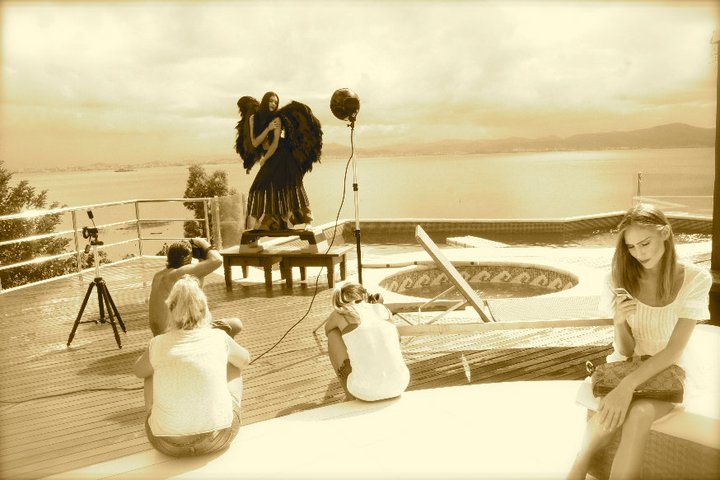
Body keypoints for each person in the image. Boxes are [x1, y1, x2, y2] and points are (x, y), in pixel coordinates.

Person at [567, 204, 711, 479]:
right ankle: (579, 465)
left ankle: (580, 465)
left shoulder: (695, 279)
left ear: (665, 233)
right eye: (631, 247)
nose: (639, 253)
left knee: (639, 413)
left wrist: (626, 387)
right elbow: (626, 350)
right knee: (614, 410)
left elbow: (674, 351)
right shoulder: (617, 279)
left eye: (645, 243)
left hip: (671, 369)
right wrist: (619, 320)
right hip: (629, 363)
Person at [134, 275, 251, 457]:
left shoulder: (157, 343)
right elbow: (245, 359)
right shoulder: (219, 337)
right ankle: (219, 415)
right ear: (204, 308)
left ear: (170, 309)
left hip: (166, 444)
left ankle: (166, 424)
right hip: (218, 437)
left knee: (149, 371)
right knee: (234, 363)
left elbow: (138, 371)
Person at [235, 91, 322, 231]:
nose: (273, 104)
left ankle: (308, 221)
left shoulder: (277, 118)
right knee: (259, 187)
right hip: (270, 156)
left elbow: (275, 144)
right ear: (265, 101)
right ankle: (269, 222)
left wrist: (264, 159)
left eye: (276, 102)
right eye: (271, 101)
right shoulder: (253, 118)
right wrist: (267, 129)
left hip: (283, 155)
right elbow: (255, 142)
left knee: (293, 187)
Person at [324, 281, 410, 402]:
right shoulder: (383, 309)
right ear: (365, 295)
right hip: (400, 384)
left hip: (365, 391)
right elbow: (398, 339)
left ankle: (349, 396)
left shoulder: (342, 312)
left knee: (333, 334)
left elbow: (327, 329)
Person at [148, 237, 242, 337]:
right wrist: (204, 243)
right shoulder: (177, 274)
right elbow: (217, 260)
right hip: (175, 335)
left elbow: (197, 289)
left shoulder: (159, 276)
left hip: (161, 336)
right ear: (186, 259)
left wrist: (202, 261)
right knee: (235, 324)